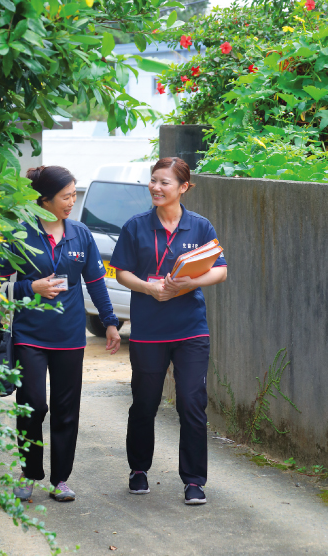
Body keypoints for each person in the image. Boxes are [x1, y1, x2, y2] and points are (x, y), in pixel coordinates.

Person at [0, 165, 121, 502]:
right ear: (44, 200)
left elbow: (95, 282)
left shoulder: (80, 234)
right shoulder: (19, 234)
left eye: (73, 194)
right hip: (29, 333)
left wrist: (110, 321)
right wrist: (29, 287)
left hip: (69, 336)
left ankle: (60, 479)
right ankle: (30, 472)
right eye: (66, 196)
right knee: (33, 404)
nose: (71, 201)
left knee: (66, 408)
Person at [109, 157, 227, 505]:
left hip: (191, 329)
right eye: (153, 181)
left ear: (184, 187)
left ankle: (193, 480)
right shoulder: (136, 226)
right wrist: (149, 288)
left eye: (164, 183)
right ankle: (139, 469)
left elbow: (219, 271)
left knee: (192, 403)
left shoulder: (200, 226)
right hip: (148, 331)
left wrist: (186, 285)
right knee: (145, 403)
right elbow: (121, 273)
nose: (156, 188)